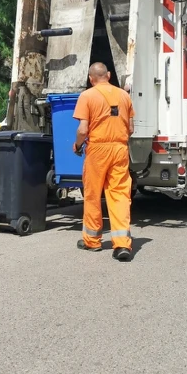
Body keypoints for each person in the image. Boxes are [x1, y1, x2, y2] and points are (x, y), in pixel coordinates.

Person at [72, 62, 135, 262]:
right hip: (120, 149)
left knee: (92, 194)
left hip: (98, 149)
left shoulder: (87, 96)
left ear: (91, 79)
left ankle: (92, 241)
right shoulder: (124, 96)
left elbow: (83, 130)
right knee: (119, 195)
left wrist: (77, 145)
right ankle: (122, 244)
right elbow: (131, 128)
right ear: (108, 75)